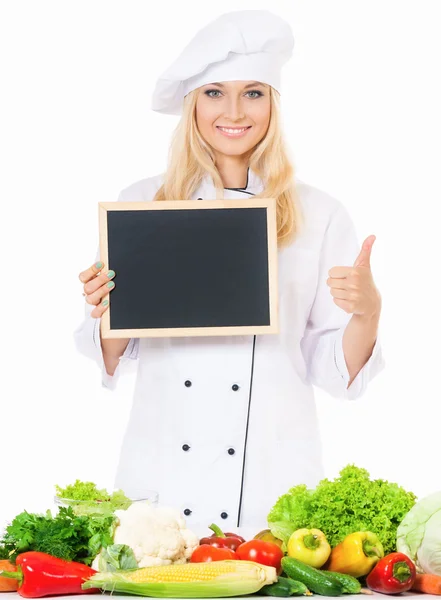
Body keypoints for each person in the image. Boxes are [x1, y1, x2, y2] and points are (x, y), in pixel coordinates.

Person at [74, 10, 384, 532]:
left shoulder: (319, 214)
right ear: (192, 105)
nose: (235, 111)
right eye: (214, 92)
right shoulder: (141, 204)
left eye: (254, 92)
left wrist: (368, 312)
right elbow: (115, 356)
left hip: (272, 485)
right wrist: (104, 310)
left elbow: (332, 368)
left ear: (274, 104)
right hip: (163, 487)